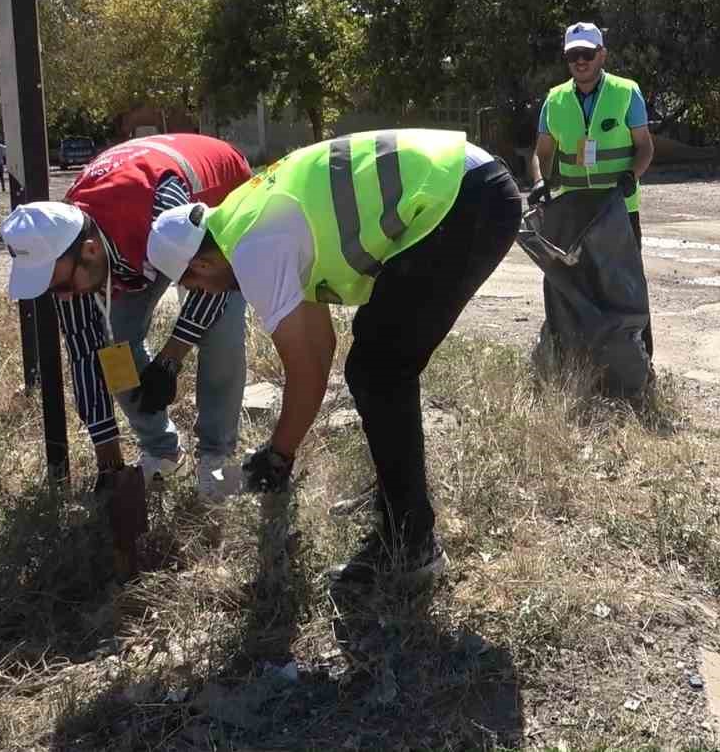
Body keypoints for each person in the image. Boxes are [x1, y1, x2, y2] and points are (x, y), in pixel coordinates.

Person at [146, 128, 520, 585]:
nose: (196, 293)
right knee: (377, 357)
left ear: (201, 265)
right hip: (464, 182)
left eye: (190, 284)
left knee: (380, 368)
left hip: (462, 197)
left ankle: (411, 544)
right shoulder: (244, 216)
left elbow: (305, 372)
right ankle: (395, 494)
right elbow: (320, 351)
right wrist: (282, 451)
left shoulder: (253, 248)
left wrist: (278, 454)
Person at [0, 134, 254, 499]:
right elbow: (86, 355)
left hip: (214, 202)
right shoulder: (65, 256)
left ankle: (215, 456)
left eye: (63, 287)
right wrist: (110, 464)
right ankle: (162, 451)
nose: (64, 298)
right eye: (55, 290)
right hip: (128, 244)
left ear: (89, 251)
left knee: (221, 332)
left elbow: (210, 291)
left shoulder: (157, 212)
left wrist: (170, 359)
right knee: (112, 345)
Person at [526, 21, 656, 355]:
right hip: (573, 210)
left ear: (602, 55)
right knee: (572, 288)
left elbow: (645, 147)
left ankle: (639, 364)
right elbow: (541, 153)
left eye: (586, 54)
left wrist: (631, 175)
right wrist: (539, 181)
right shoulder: (554, 101)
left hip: (617, 211)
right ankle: (577, 361)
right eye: (573, 56)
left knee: (625, 289)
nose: (580, 61)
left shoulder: (626, 92)